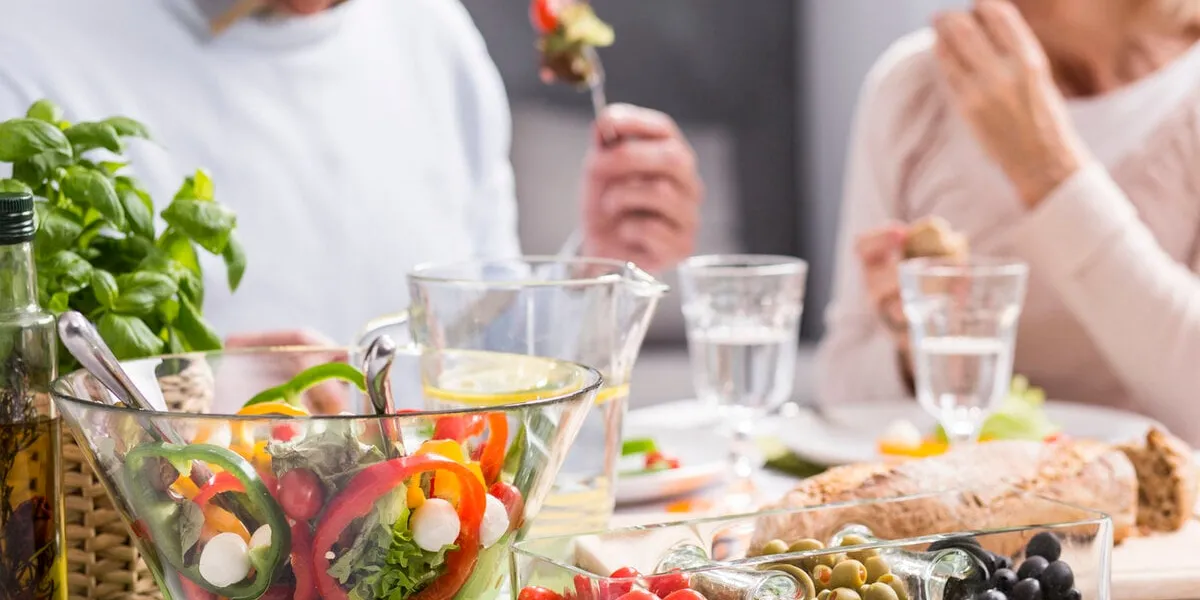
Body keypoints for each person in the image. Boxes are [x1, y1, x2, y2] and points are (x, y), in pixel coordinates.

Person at [0, 0, 702, 346]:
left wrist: (596, 270)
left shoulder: (433, 29)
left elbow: (474, 355)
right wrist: (188, 397)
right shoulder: (26, 41)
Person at [818, 0, 1200, 443]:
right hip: (966, 498)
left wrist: (1048, 170)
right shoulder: (914, 85)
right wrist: (915, 350)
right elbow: (842, 393)